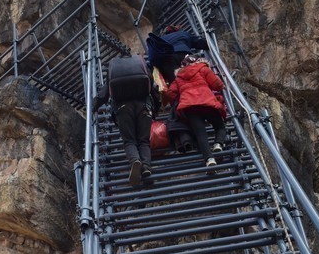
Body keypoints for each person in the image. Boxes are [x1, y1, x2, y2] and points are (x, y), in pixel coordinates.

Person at [93, 53, 156, 187]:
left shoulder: (114, 69)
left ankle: (134, 161)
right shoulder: (142, 66)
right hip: (144, 106)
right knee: (144, 141)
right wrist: (155, 111)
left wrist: (92, 107)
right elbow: (153, 89)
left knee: (129, 141)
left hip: (122, 108)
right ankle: (146, 167)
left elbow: (104, 93)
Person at [163, 54, 228, 169]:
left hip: (190, 107)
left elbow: (170, 93)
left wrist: (178, 101)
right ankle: (218, 143)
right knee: (220, 127)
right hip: (207, 102)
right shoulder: (203, 69)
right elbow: (217, 85)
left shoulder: (179, 77)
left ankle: (209, 159)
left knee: (200, 134)